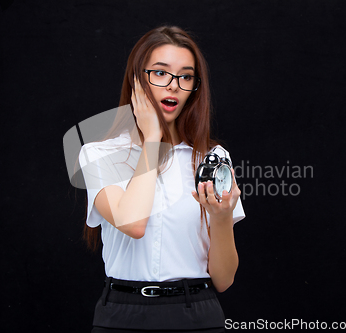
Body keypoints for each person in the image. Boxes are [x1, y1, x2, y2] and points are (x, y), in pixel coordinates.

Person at [78, 26, 245, 332]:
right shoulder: (98, 154)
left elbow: (223, 279)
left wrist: (221, 219)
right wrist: (153, 138)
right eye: (160, 73)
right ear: (138, 81)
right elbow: (133, 223)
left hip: (198, 315)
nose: (173, 86)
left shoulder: (212, 157)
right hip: (122, 316)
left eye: (186, 76)